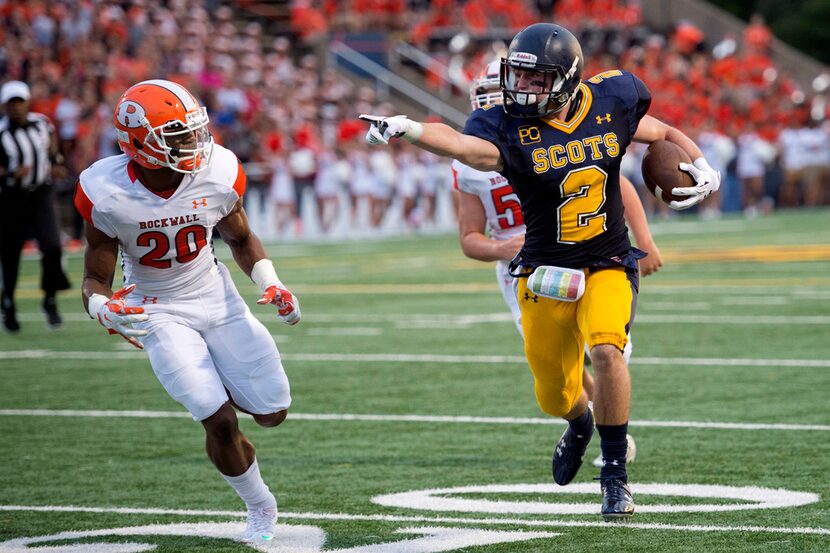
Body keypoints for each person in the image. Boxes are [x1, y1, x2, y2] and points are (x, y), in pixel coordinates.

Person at [361, 23, 719, 520]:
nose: (522, 89)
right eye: (519, 77)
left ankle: (614, 475)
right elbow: (462, 147)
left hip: (609, 260)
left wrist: (701, 163)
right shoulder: (506, 128)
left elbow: (662, 132)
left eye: (537, 80)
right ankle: (578, 423)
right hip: (543, 270)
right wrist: (411, 129)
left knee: (607, 352)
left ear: (568, 79)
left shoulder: (609, 102)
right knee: (555, 395)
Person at [74, 80, 301, 543]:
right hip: (157, 307)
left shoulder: (217, 171)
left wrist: (271, 282)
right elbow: (95, 279)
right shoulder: (105, 189)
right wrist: (102, 308)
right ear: (139, 142)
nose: (192, 143)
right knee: (216, 417)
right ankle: (259, 505)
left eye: (193, 132)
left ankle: (229, 400)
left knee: (273, 412)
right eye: (176, 135)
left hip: (215, 296)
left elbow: (240, 238)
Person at [452, 60, 664, 467]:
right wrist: (503, 247)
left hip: (589, 250)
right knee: (557, 370)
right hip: (529, 269)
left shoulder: (555, 133)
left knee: (608, 350)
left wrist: (646, 241)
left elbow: (617, 184)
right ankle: (585, 422)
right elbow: (469, 239)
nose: (499, 105)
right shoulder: (472, 161)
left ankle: (611, 444)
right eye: (490, 100)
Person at [0, 80, 72, 332]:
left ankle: (49, 299)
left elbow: (52, 147)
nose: (17, 107)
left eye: (20, 102)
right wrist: (10, 174)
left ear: (28, 102)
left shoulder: (42, 123)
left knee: (52, 247)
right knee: (10, 255)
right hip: (11, 198)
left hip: (41, 194)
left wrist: (57, 161)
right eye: (12, 103)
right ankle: (8, 305)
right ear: (4, 106)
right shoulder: (1, 133)